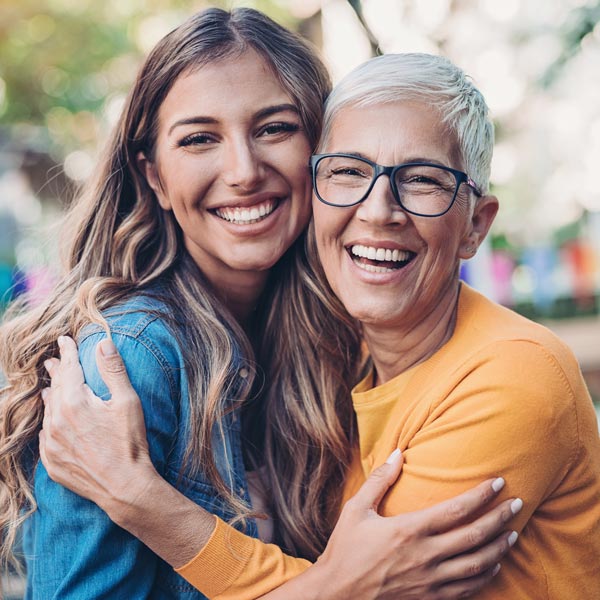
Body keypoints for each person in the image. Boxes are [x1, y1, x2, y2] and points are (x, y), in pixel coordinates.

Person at [38, 52, 600, 599]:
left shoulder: (510, 377)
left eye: (423, 179)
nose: (379, 210)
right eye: (350, 171)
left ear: (476, 225)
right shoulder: (136, 358)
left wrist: (143, 501)